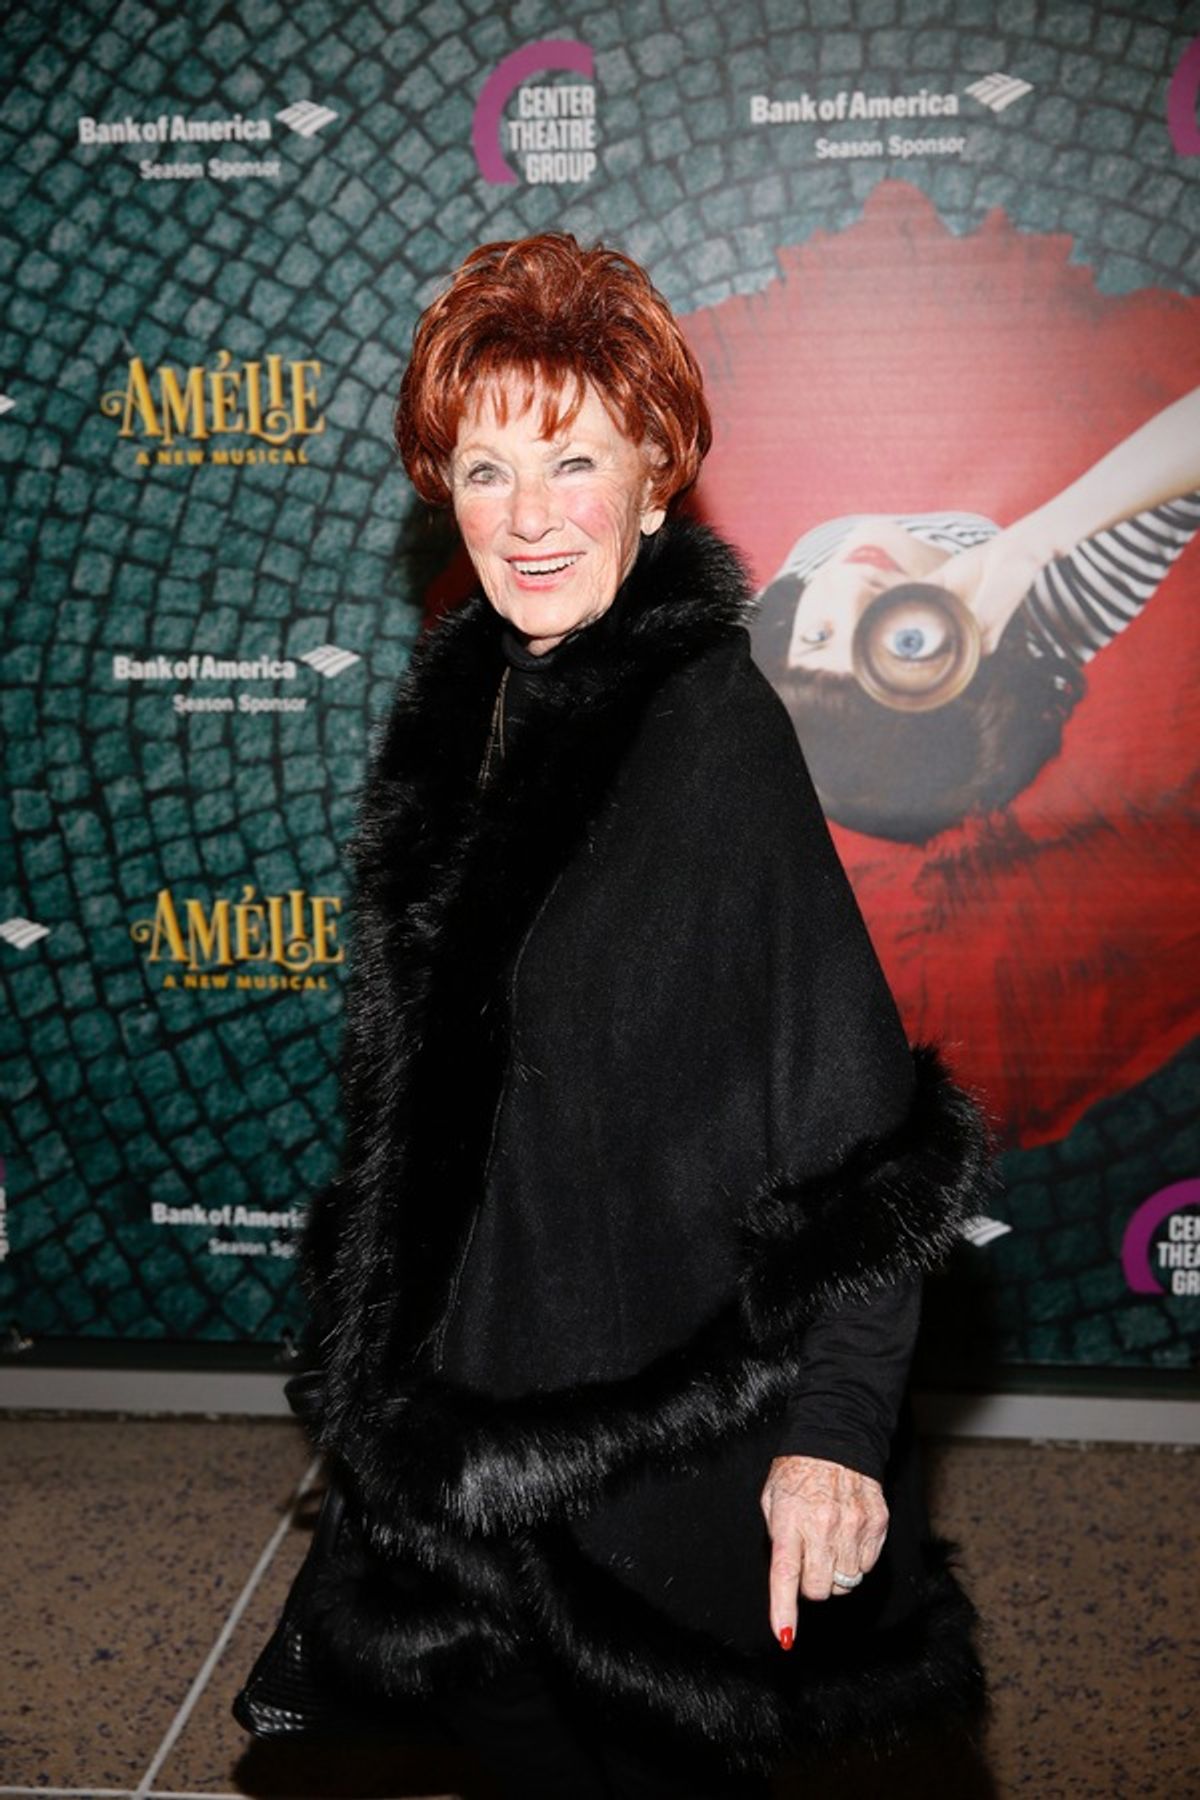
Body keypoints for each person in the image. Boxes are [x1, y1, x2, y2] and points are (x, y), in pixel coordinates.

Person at [244, 234, 992, 1797]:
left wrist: (838, 1440)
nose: (524, 517)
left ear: (657, 479)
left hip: (638, 1470)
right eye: (483, 466)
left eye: (571, 461)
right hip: (465, 1448)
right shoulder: (467, 711)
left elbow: (864, 1142)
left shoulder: (707, 732)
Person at [751, 388, 1200, 842]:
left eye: (818, 636)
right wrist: (1029, 546)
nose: (850, 588)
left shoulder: (772, 624)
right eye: (904, 645)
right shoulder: (1057, 609)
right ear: (963, 671)